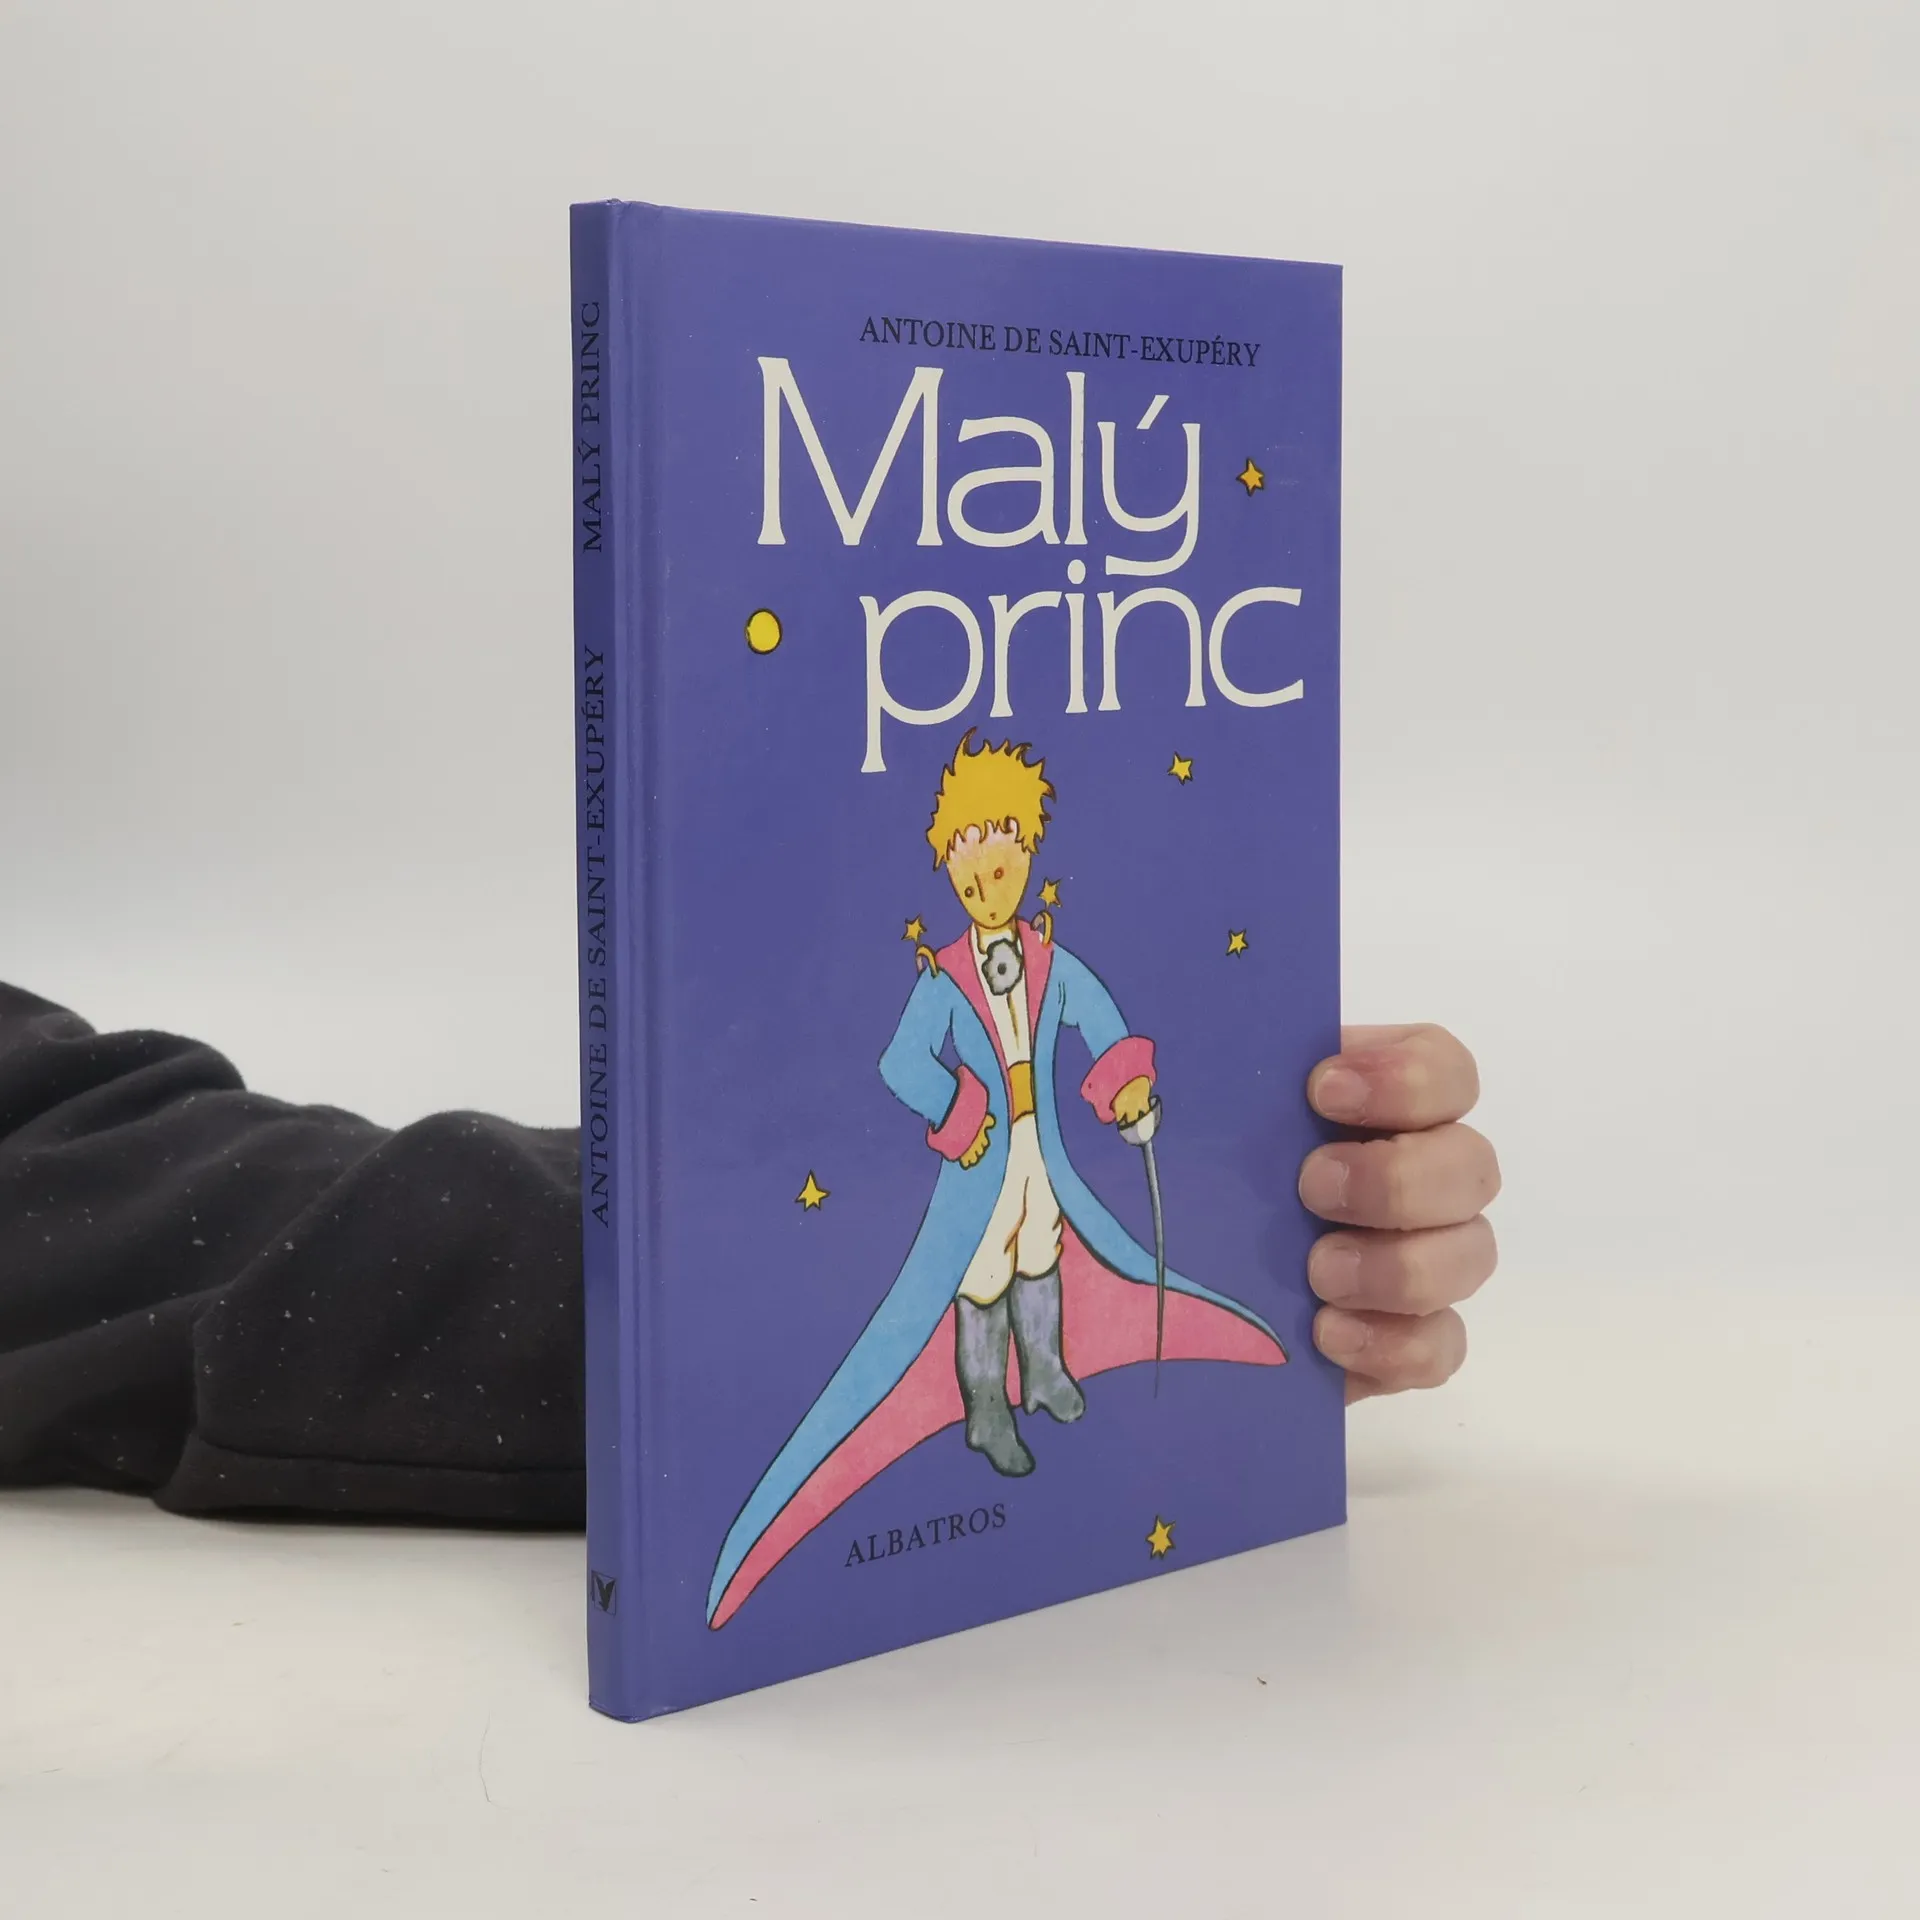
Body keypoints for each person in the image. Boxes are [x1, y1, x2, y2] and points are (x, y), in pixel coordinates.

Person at [0, 969, 1497, 1523]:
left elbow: (101, 1171)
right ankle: (1002, 1392)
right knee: (993, 1290)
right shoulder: (942, 981)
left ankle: (1033, 1383)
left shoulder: (1047, 961)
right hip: (958, 1189)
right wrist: (769, 1272)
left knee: (1029, 1282)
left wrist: (1224, 1160)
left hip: (1035, 1179)